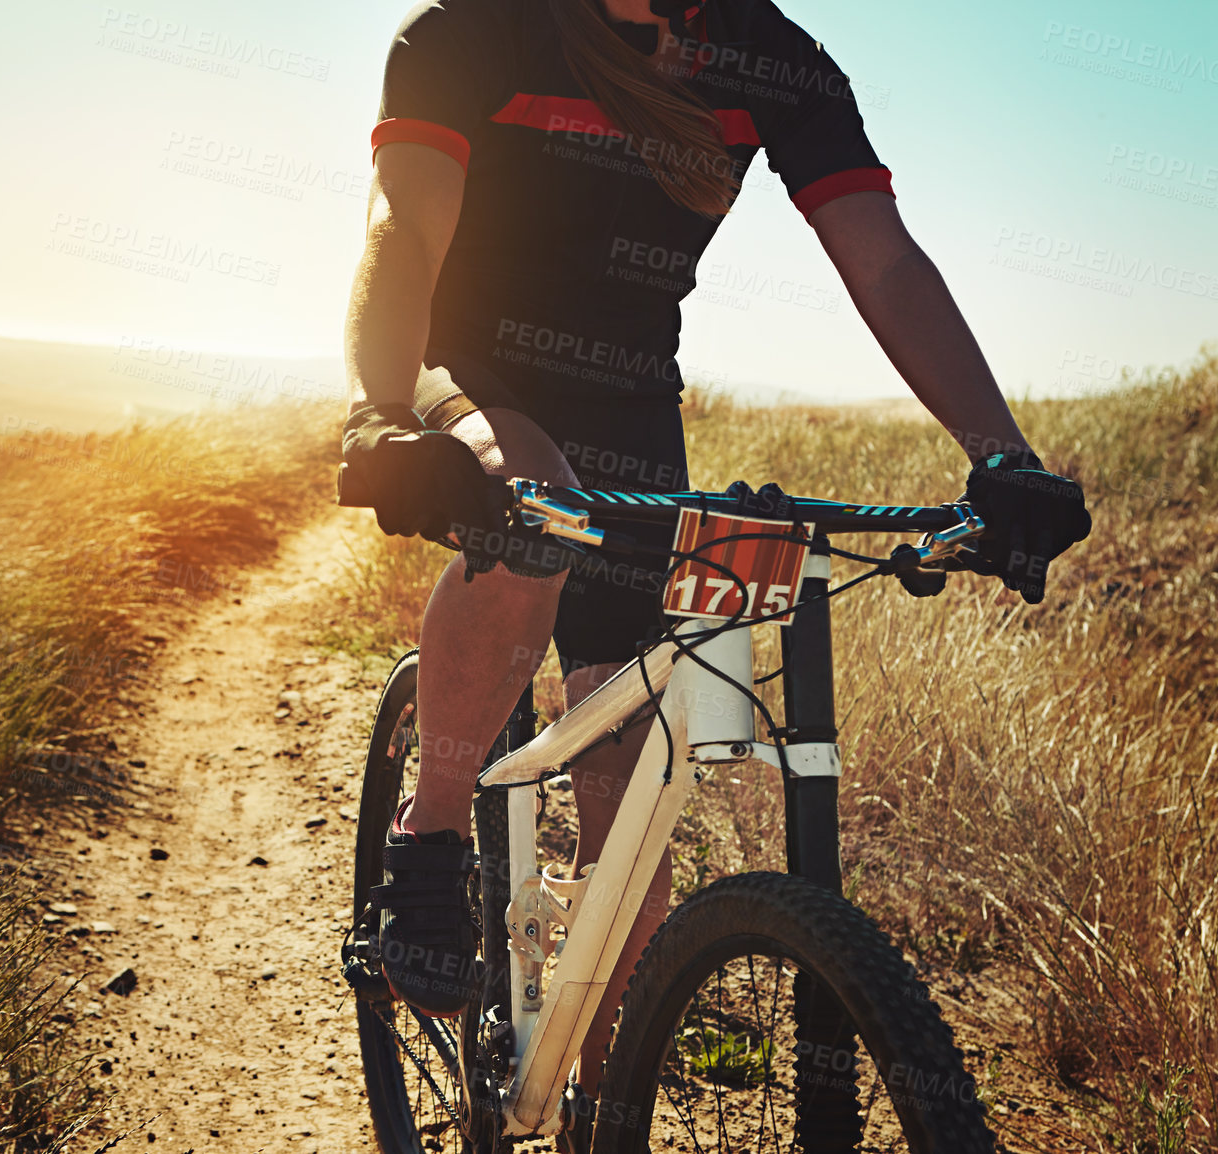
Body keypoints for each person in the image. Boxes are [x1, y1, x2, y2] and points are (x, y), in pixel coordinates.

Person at [338, 0, 1091, 1125]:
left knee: (629, 775)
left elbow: (881, 259)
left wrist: (1001, 454)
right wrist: (380, 414)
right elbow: (402, 229)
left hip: (637, 406)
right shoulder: (472, 32)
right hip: (466, 378)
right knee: (533, 506)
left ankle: (602, 1102)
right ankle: (433, 829)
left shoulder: (770, 59)